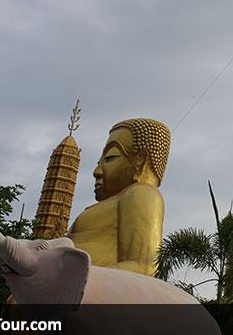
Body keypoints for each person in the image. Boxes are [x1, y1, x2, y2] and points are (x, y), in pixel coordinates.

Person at [69, 118, 170, 276]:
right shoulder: (110, 204)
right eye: (99, 161)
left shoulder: (142, 194)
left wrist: (68, 279)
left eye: (109, 158)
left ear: (140, 161)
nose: (97, 171)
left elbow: (142, 268)